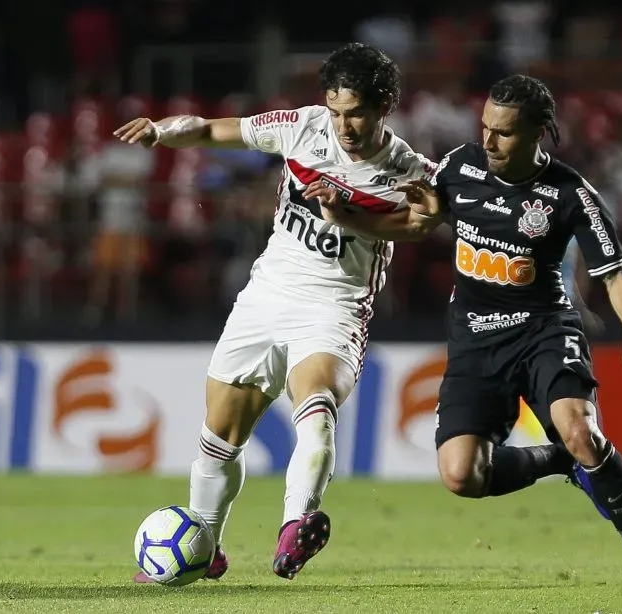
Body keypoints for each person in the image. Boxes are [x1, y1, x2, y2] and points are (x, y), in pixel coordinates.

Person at [317, 75, 622, 586]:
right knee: (461, 475)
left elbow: (614, 272)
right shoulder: (460, 167)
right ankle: (560, 463)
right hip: (474, 339)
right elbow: (415, 224)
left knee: (582, 431)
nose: (487, 141)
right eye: (484, 127)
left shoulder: (571, 194)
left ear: (537, 134)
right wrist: (345, 215)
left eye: (502, 133)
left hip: (544, 329)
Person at [113, 43, 435, 582]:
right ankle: (206, 545)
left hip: (334, 305)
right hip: (265, 297)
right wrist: (163, 131)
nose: (344, 125)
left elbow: (419, 225)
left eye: (355, 112)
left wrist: (348, 214)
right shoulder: (302, 127)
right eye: (336, 111)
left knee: (316, 401)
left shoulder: (408, 169)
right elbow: (217, 130)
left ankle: (295, 527)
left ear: (384, 106)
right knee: (220, 434)